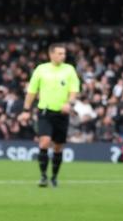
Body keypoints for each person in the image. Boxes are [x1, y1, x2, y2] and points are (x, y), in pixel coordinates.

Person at [18, 43, 80, 187]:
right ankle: (43, 176)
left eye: (64, 54)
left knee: (58, 147)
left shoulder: (69, 70)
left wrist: (69, 104)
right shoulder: (41, 69)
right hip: (45, 112)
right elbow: (32, 91)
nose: (62, 56)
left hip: (62, 113)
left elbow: (74, 90)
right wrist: (26, 110)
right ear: (51, 54)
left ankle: (54, 177)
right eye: (59, 53)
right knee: (45, 141)